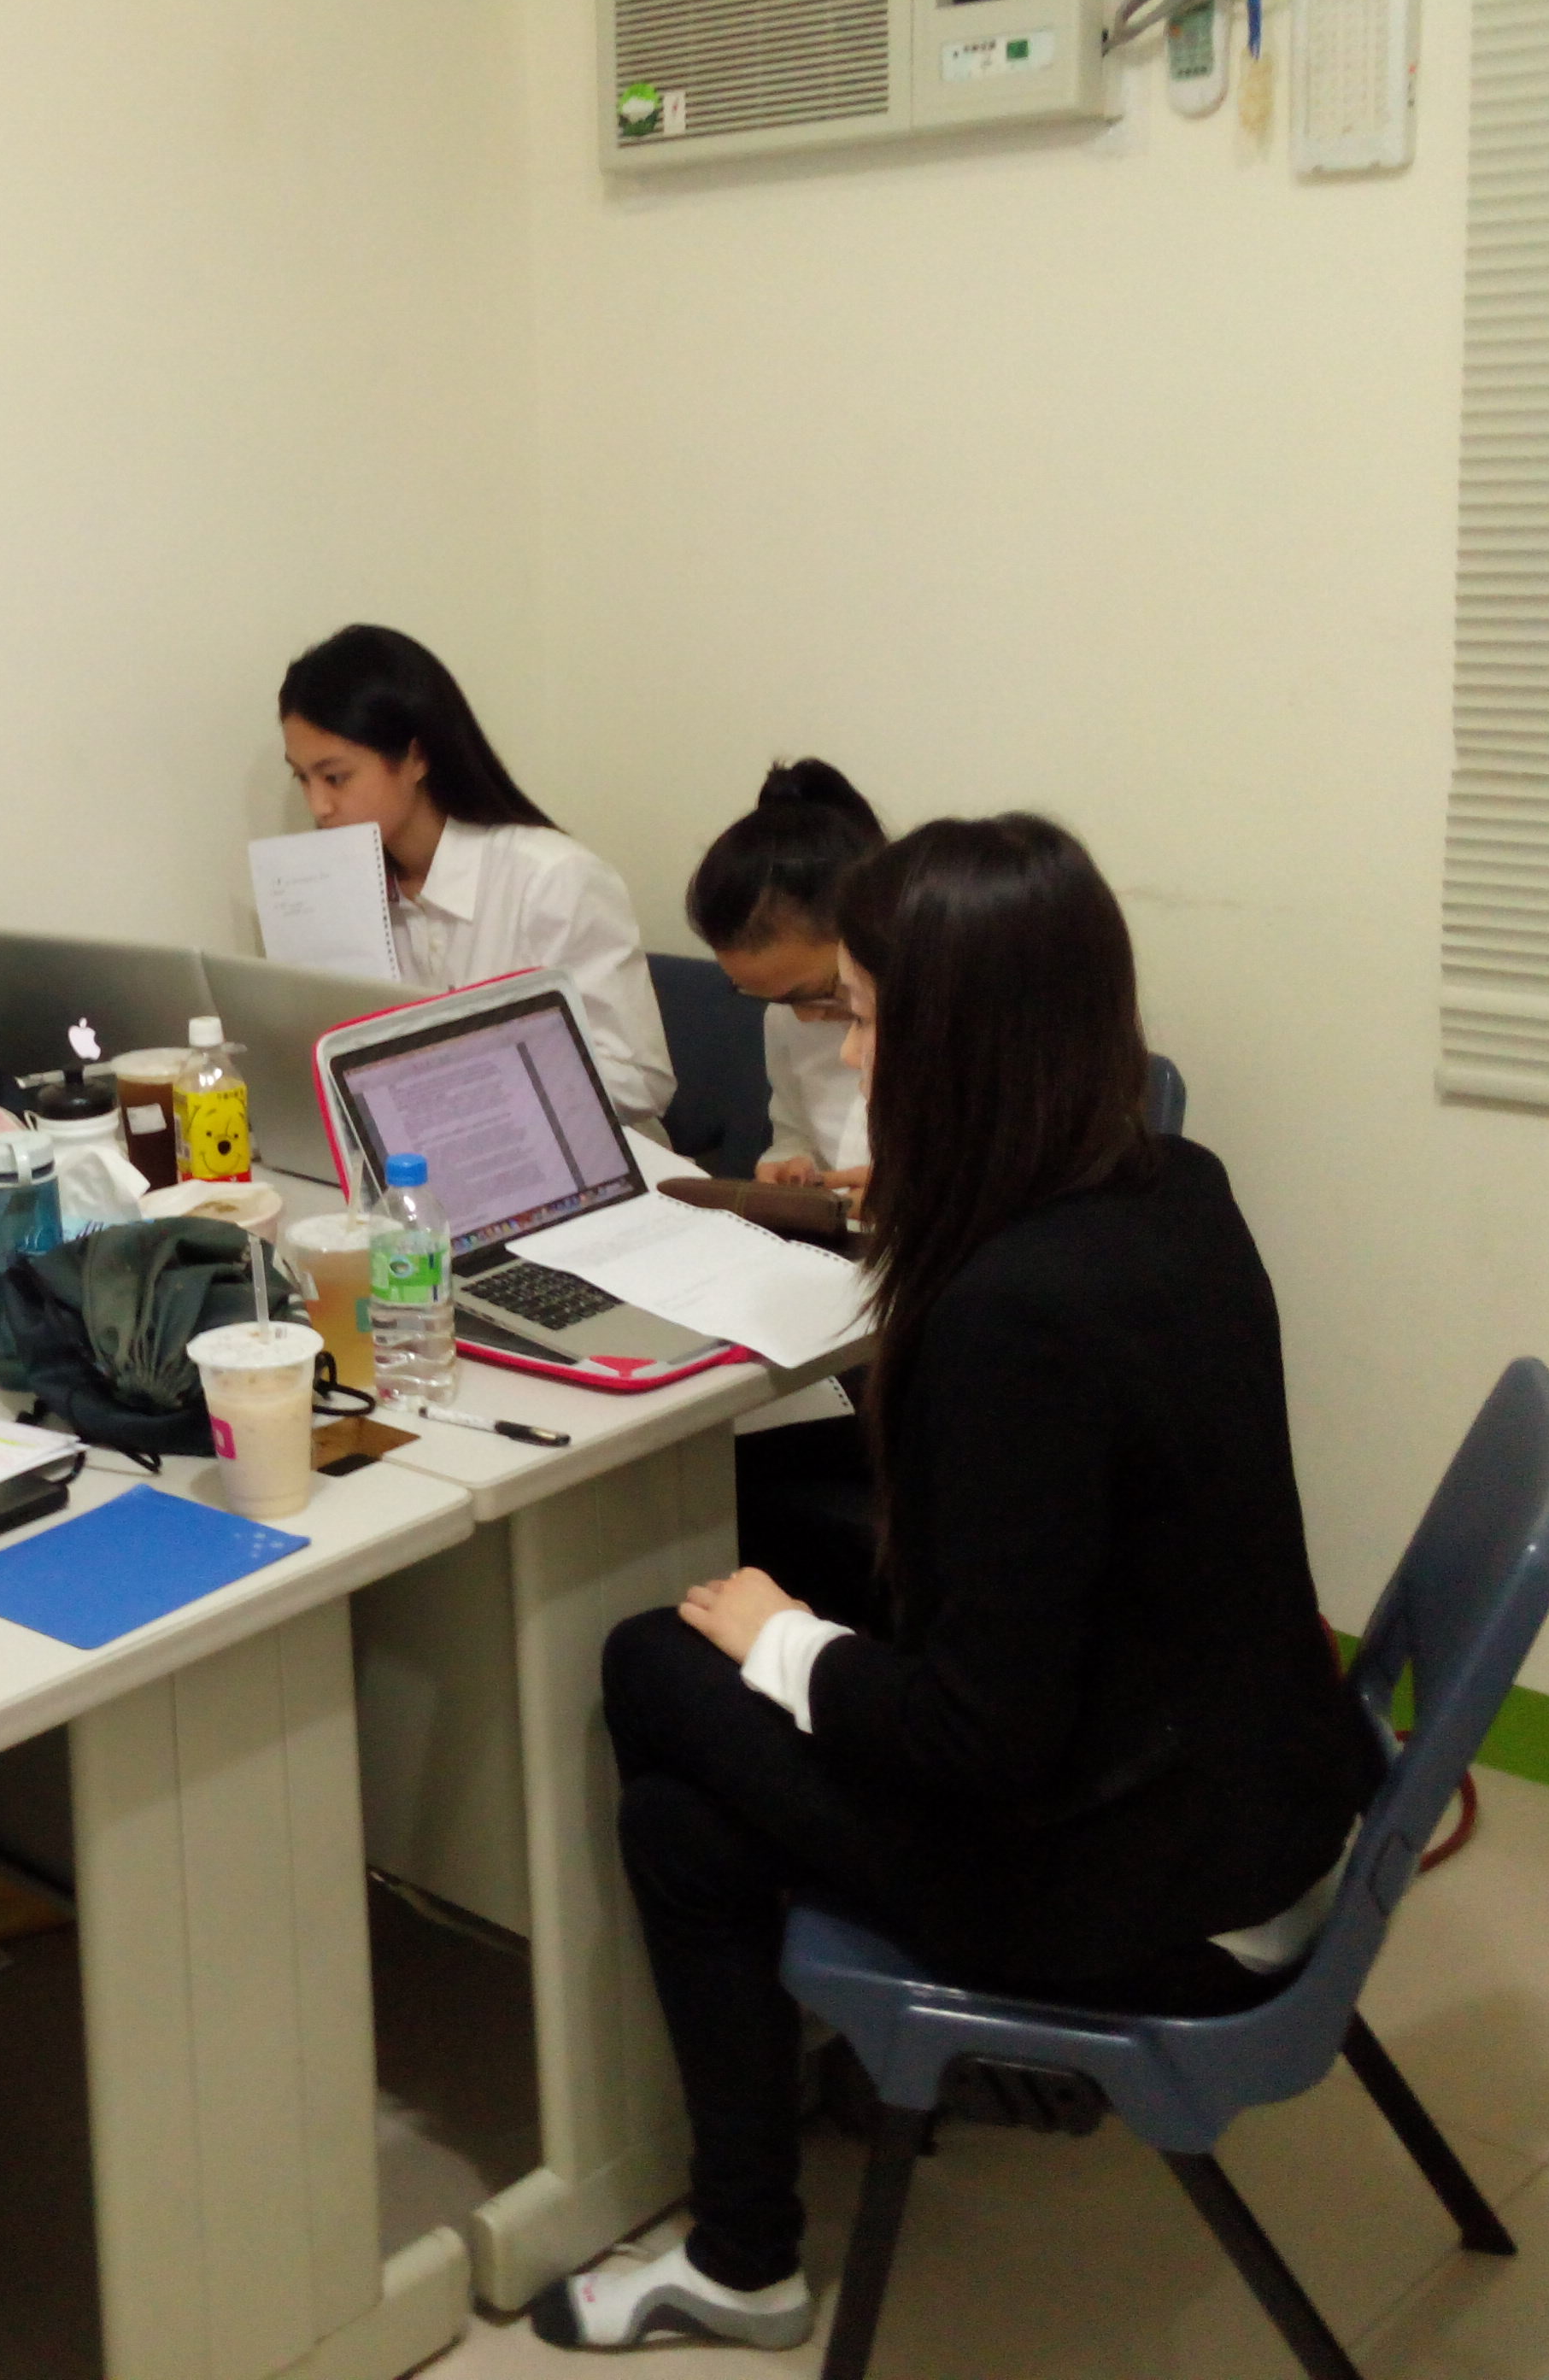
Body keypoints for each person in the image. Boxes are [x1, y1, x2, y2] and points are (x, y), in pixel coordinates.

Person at [537, 816, 1380, 2354]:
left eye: (863, 1016)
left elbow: (977, 1740)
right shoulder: (1174, 1183)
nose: (851, 1054)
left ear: (965, 1039)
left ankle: (751, 2241)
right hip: (1259, 1784)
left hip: (1135, 1883)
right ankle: (748, 2239)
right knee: (681, 1823)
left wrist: (785, 1645)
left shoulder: (1013, 1315)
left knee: (651, 1660)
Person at [277, 624, 674, 1124]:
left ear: (417, 756)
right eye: (302, 777)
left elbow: (639, 1079)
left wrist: (469, 1085)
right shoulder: (340, 891)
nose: (318, 806)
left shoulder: (552, 878)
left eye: (336, 777)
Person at [683, 759, 883, 1195]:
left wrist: (906, 1202)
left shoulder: (957, 1022)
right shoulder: (785, 1014)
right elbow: (795, 1130)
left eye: (824, 993)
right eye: (771, 999)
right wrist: (791, 1163)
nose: (805, 1018)